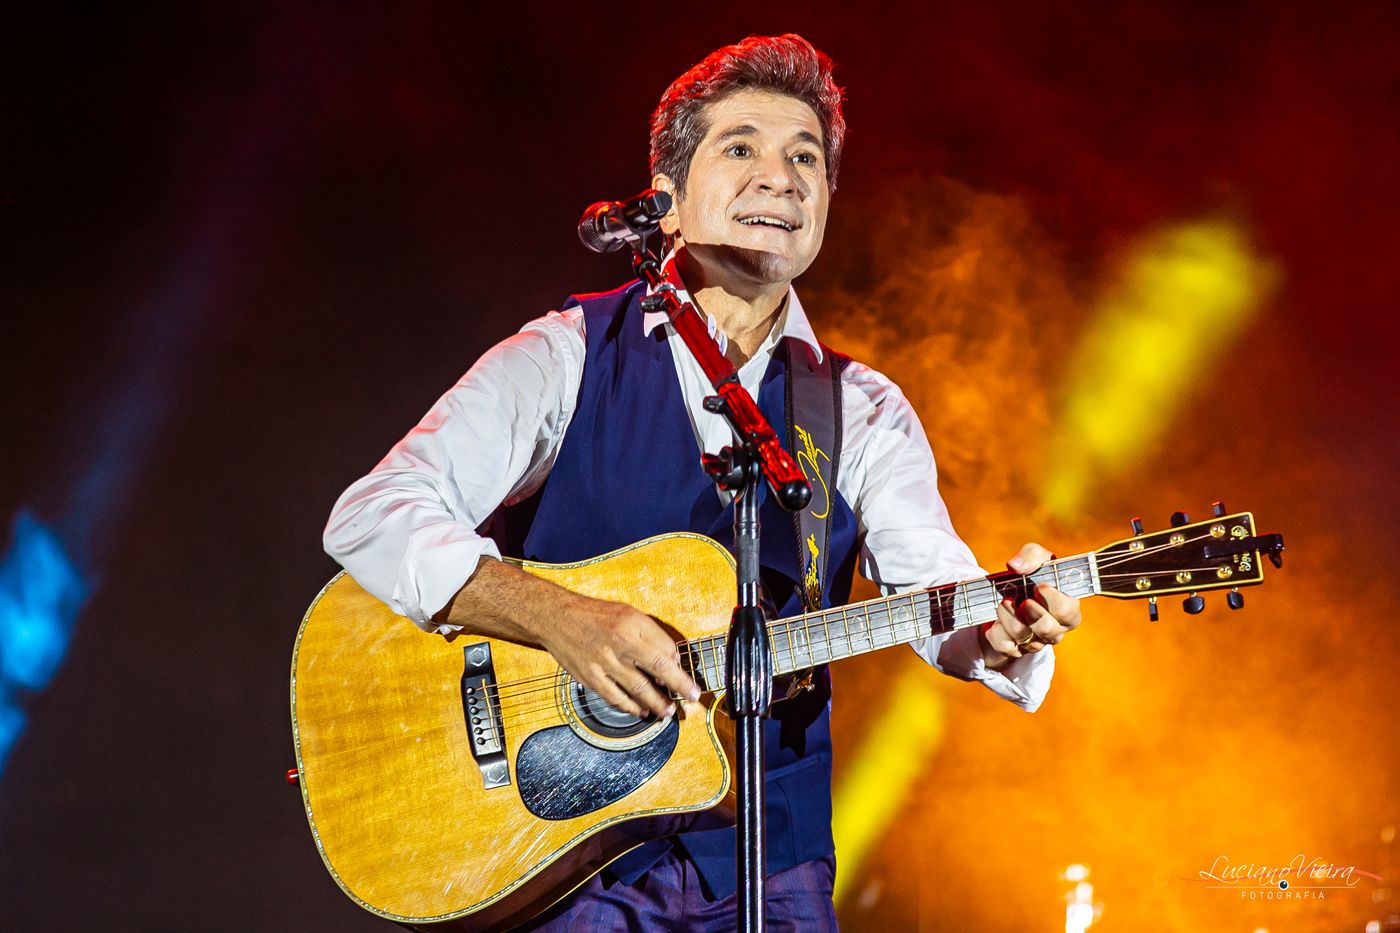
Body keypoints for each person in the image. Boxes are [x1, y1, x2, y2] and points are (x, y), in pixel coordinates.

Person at [323, 33, 1081, 931]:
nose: (782, 178)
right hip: (569, 860)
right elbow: (374, 513)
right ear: (668, 201)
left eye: (807, 158)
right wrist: (562, 619)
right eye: (742, 148)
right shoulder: (567, 353)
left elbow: (936, 592)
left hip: (772, 863)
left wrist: (1002, 632)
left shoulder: (862, 409)